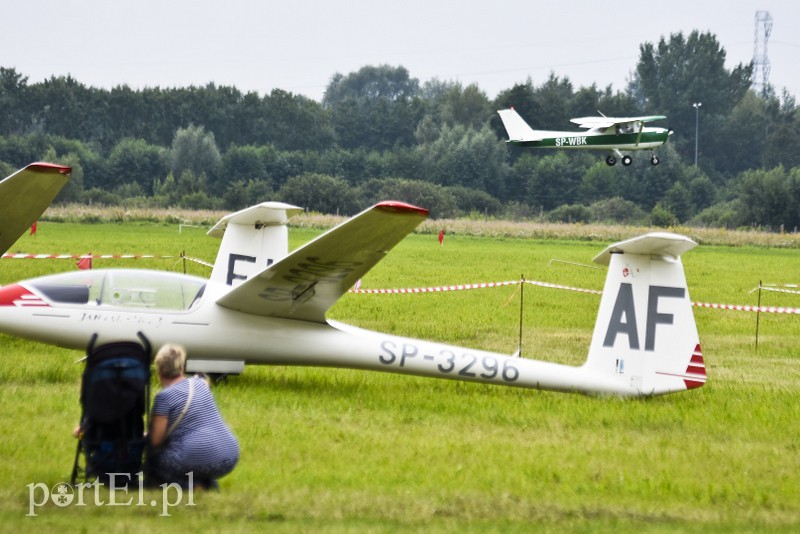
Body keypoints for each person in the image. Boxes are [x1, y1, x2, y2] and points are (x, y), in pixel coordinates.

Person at [146, 344, 239, 489]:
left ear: (158, 370)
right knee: (193, 457)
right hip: (230, 455)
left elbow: (155, 441)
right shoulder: (200, 384)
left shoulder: (164, 398)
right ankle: (207, 484)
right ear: (181, 367)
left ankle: (193, 486)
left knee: (154, 461)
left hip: (198, 457)